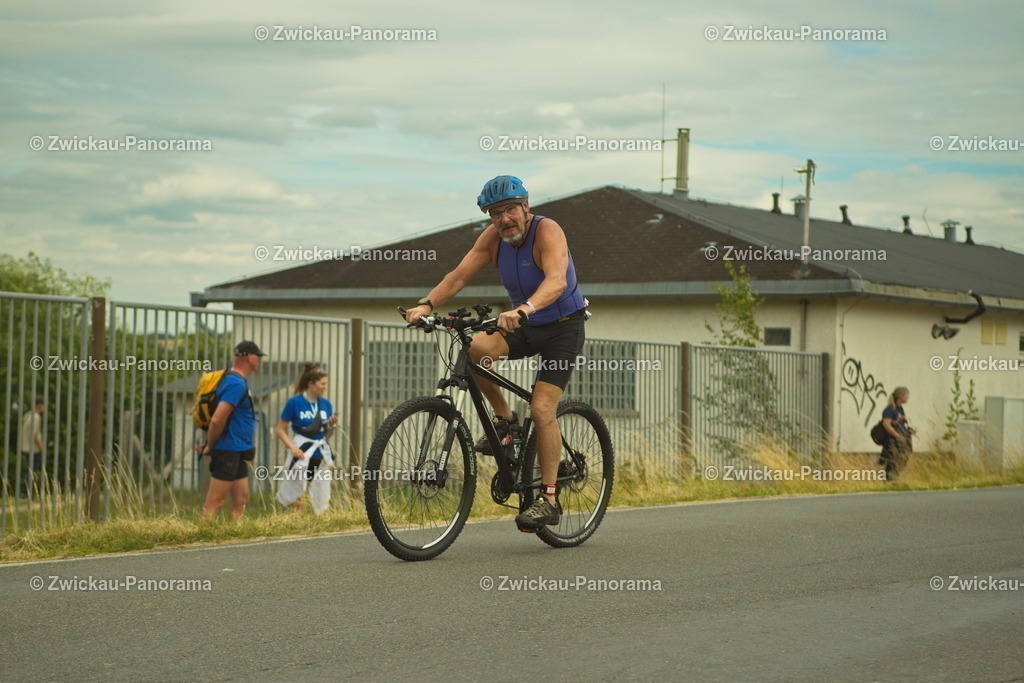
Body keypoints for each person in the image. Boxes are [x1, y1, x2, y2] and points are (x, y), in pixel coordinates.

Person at [405, 175, 587, 530]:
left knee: (542, 406)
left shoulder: (548, 231)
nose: (504, 219)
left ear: (526, 207)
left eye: (510, 210)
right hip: (526, 325)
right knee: (473, 349)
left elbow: (557, 280)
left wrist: (525, 309)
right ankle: (507, 422)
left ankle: (549, 500)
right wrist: (425, 305)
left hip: (563, 325)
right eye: (495, 213)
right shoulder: (493, 239)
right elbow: (457, 277)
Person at [201, 340, 263, 520]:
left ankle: (234, 539)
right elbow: (218, 419)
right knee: (216, 500)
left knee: (241, 498)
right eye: (258, 357)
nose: (259, 361)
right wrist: (210, 446)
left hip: (239, 449)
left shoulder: (237, 381)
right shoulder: (236, 384)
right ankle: (202, 538)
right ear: (250, 358)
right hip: (228, 448)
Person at [274, 362, 337, 514]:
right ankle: (295, 522)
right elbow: (280, 430)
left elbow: (327, 435)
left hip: (319, 454)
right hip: (302, 453)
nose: (325, 387)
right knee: (298, 493)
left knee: (320, 492)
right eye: (322, 384)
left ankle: (318, 521)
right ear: (311, 384)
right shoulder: (294, 403)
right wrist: (293, 448)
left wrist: (332, 427)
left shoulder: (326, 404)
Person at [879, 386, 912, 481]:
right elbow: (886, 424)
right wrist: (896, 435)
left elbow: (898, 422)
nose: (908, 398)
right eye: (907, 395)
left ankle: (894, 479)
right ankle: (888, 481)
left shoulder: (899, 408)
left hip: (901, 438)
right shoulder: (890, 409)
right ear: (901, 396)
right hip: (892, 440)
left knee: (901, 460)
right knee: (892, 461)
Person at [19, 397, 45, 498]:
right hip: (33, 449)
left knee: (29, 469)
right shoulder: (36, 417)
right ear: (40, 406)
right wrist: (41, 446)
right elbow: (34, 434)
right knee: (32, 470)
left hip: (25, 447)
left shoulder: (28, 415)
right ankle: (26, 493)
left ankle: (25, 492)